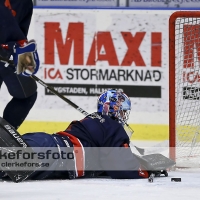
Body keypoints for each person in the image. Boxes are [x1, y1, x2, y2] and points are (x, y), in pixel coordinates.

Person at [3, 89, 150, 181]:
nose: (124, 116)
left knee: (9, 162)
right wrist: (145, 169)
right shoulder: (113, 126)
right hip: (56, 154)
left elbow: (107, 159)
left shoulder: (93, 120)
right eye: (123, 111)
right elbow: (121, 168)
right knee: (15, 161)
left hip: (48, 142)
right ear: (116, 110)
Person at [0, 0, 40, 129]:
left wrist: (22, 48)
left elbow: (20, 32)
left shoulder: (25, 3)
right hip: (5, 52)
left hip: (5, 54)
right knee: (27, 96)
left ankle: (4, 138)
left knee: (27, 95)